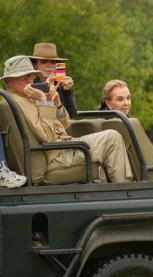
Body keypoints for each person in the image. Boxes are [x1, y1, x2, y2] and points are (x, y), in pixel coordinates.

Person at [1, 55, 132, 183]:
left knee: (111, 137)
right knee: (112, 138)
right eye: (23, 78)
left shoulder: (28, 98)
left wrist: (56, 102)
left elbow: (65, 124)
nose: (29, 81)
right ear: (8, 81)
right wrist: (44, 101)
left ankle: (119, 188)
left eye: (31, 76)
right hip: (56, 154)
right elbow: (47, 136)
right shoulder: (20, 103)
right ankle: (124, 190)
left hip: (60, 147)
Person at [100, 79, 153, 163]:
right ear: (108, 103)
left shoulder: (102, 121)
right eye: (120, 99)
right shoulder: (120, 124)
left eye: (128, 98)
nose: (126, 103)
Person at [29, 42, 77, 118]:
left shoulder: (62, 85)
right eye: (43, 62)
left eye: (53, 62)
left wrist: (67, 91)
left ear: (57, 65)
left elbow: (72, 115)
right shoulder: (29, 85)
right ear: (35, 65)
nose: (49, 65)